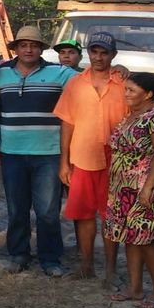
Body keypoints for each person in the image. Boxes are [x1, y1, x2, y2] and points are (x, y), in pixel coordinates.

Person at [0, 25, 77, 276]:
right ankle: (19, 254)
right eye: (23, 45)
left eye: (34, 45)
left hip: (48, 153)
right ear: (15, 48)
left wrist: (120, 71)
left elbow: (89, 80)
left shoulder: (60, 73)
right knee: (16, 207)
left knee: (48, 210)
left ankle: (50, 259)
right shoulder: (0, 73)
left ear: (41, 49)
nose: (28, 49)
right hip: (11, 152)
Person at [54, 32, 127, 284]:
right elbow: (67, 124)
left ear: (113, 55)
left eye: (104, 52)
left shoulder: (123, 83)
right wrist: (64, 161)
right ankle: (86, 266)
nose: (98, 57)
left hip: (116, 160)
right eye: (94, 51)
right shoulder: (75, 84)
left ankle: (110, 269)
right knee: (84, 214)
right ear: (88, 53)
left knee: (111, 215)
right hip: (82, 157)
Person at [105, 73, 154, 308]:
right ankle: (135, 288)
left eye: (131, 90)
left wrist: (147, 189)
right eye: (125, 89)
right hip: (124, 189)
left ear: (148, 94)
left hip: (146, 188)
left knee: (146, 240)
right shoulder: (132, 116)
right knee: (130, 238)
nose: (125, 94)